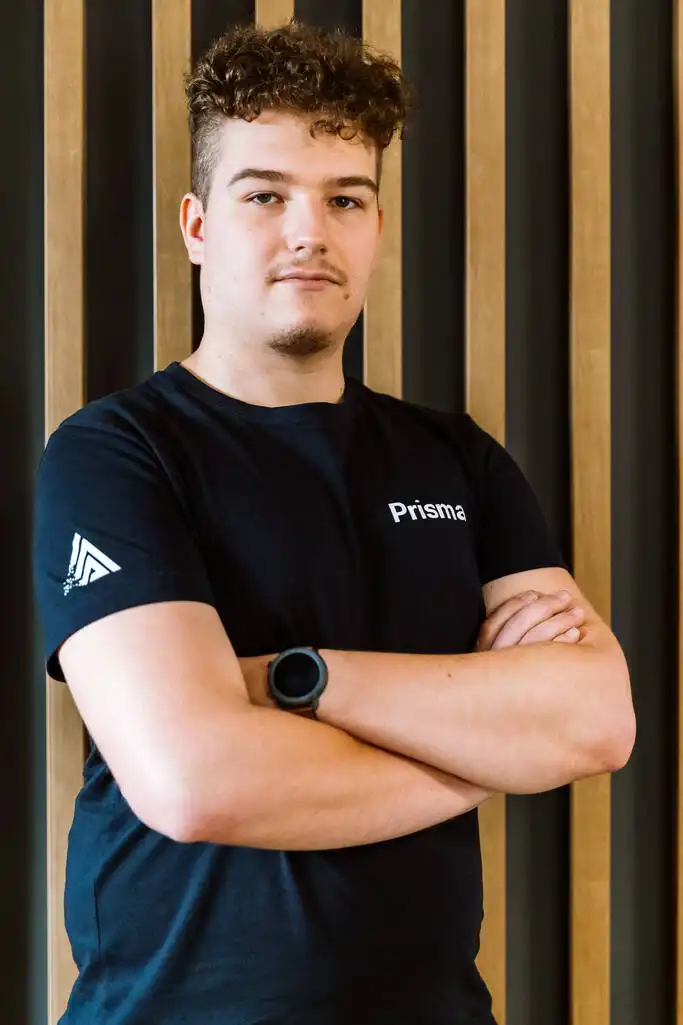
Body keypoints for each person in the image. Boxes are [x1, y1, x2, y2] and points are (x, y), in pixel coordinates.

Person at [33, 20, 635, 1025]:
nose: (308, 230)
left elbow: (597, 718)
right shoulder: (115, 453)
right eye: (264, 195)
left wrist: (295, 678)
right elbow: (192, 779)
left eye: (344, 198)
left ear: (376, 227)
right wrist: (489, 751)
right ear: (196, 225)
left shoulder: (455, 458)